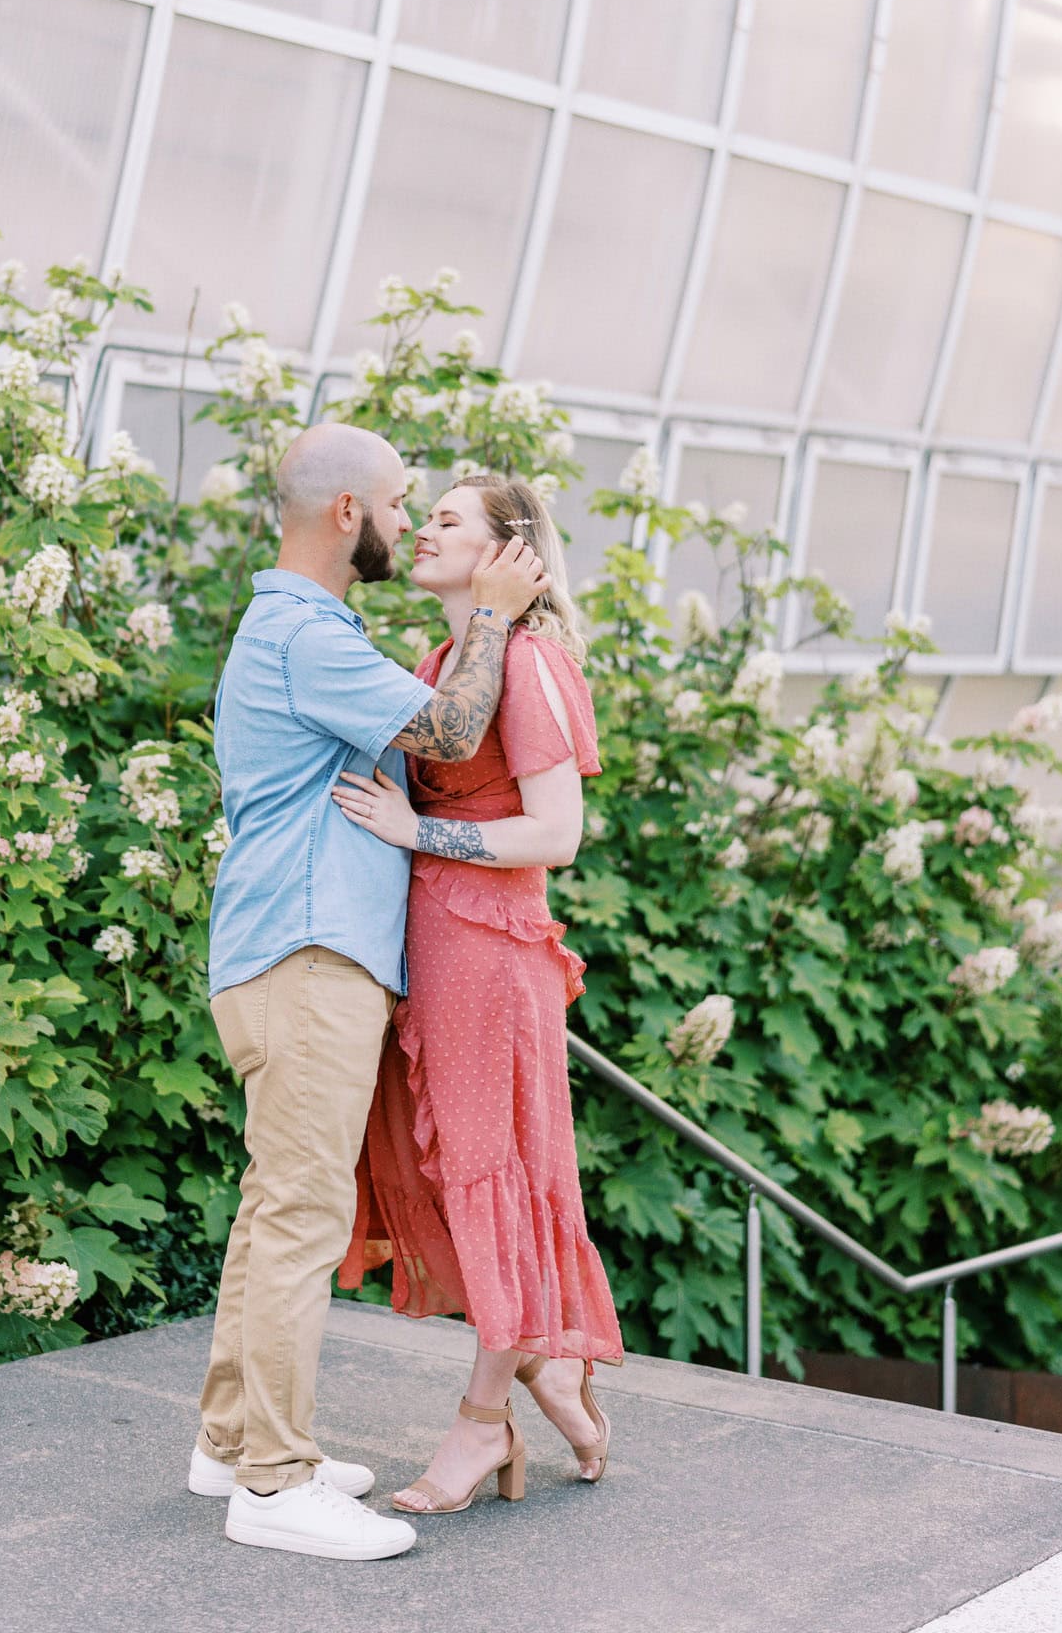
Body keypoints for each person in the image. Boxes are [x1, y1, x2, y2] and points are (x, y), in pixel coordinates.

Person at [189, 426, 549, 1562]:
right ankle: (274, 1482)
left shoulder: (297, 628)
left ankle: (230, 1440)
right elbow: (451, 727)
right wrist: (491, 609)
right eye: (400, 501)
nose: (408, 520)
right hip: (308, 956)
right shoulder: (303, 632)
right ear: (346, 510)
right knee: (302, 1215)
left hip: (280, 953)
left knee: (270, 1207)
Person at [334, 473, 624, 1517]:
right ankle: (539, 1359)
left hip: (491, 950)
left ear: (509, 548)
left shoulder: (532, 661)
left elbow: (556, 832)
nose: (420, 530)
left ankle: (482, 1414)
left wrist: (418, 832)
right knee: (439, 1161)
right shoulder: (443, 659)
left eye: (448, 519)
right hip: (431, 944)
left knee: (486, 1165)